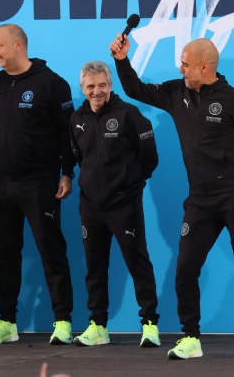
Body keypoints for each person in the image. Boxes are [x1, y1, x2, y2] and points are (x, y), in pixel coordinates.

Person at [109, 35, 234, 360]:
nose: (180, 67)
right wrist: (121, 60)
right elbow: (135, 89)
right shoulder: (175, 92)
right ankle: (190, 338)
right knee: (185, 267)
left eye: (185, 63)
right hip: (199, 199)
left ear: (204, 66)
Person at [0, 24, 76, 345]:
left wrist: (67, 173)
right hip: (1, 185)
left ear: (18, 45)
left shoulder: (53, 84)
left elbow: (68, 134)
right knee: (5, 255)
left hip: (39, 183)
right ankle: (7, 321)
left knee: (51, 252)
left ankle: (62, 320)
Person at [69, 61, 161, 347]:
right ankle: (98, 326)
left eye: (102, 85)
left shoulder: (129, 115)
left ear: (110, 85)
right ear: (82, 88)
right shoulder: (76, 119)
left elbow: (150, 159)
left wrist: (130, 185)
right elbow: (79, 158)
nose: (97, 91)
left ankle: (149, 325)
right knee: (94, 267)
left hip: (124, 204)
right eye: (90, 86)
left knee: (137, 261)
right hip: (90, 207)